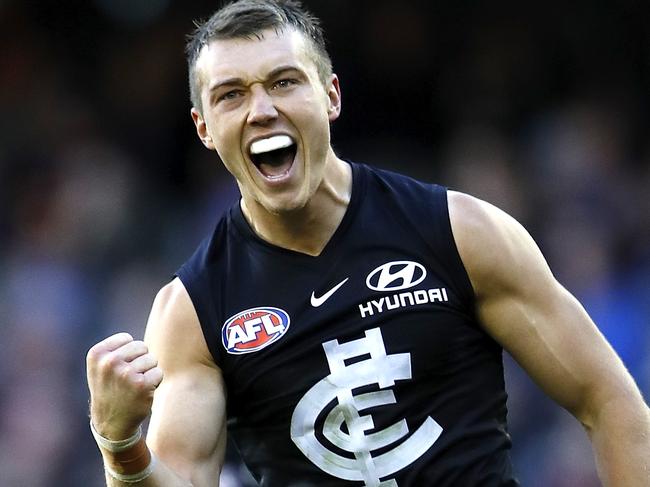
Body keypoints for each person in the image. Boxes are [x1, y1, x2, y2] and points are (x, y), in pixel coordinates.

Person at [85, 1, 650, 485]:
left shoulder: (459, 232)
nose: (261, 110)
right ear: (204, 127)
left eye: (284, 82)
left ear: (330, 95)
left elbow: (610, 401)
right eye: (231, 95)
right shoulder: (193, 312)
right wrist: (119, 443)